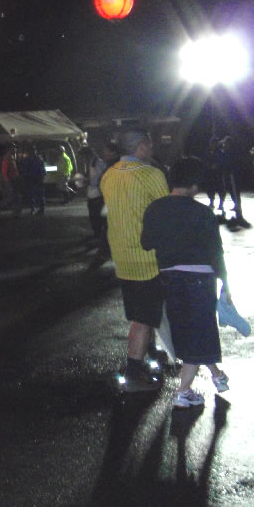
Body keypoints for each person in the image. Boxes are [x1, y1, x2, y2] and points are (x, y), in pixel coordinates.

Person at [141, 157, 230, 408]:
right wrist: (226, 284)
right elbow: (216, 252)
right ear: (193, 184)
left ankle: (217, 375)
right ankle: (183, 392)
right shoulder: (203, 212)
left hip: (169, 277)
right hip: (201, 278)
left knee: (188, 332)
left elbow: (146, 243)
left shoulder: (155, 208)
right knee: (200, 332)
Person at [100, 129, 169, 391]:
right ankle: (133, 373)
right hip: (148, 258)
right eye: (149, 146)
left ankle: (151, 353)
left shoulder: (109, 175)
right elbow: (166, 213)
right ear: (141, 147)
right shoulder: (151, 174)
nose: (151, 150)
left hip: (122, 256)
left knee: (142, 313)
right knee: (143, 318)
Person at [86, 142, 118, 244]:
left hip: (98, 194)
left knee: (99, 217)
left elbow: (101, 178)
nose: (104, 153)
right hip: (96, 193)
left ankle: (102, 239)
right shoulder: (97, 162)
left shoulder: (99, 162)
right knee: (96, 217)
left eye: (106, 151)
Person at [19, 145, 46, 215]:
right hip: (33, 179)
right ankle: (36, 209)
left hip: (35, 179)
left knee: (36, 195)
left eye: (34, 150)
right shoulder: (36, 159)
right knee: (34, 195)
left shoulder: (35, 159)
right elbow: (43, 170)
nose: (33, 152)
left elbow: (42, 170)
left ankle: (38, 209)